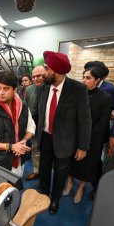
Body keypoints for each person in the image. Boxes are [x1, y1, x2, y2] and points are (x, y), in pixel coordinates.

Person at [37, 51, 91, 214]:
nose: (43, 73)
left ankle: (55, 199)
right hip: (45, 137)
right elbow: (40, 113)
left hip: (65, 141)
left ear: (57, 70)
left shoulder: (78, 89)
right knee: (44, 169)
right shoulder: (44, 88)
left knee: (60, 173)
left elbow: (85, 119)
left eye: (46, 69)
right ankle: (44, 195)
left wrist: (83, 147)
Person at [65, 67, 112, 203]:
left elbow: (103, 122)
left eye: (88, 78)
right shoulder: (77, 94)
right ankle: (69, 182)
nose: (84, 80)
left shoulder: (105, 97)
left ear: (97, 80)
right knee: (70, 161)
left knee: (88, 165)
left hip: (93, 138)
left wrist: (85, 138)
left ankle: (81, 186)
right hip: (73, 135)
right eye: (84, 77)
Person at [83, 61, 114, 199]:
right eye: (85, 73)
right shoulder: (84, 88)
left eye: (89, 73)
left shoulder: (111, 90)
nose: (85, 78)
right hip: (84, 131)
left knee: (96, 160)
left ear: (99, 76)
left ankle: (98, 187)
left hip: (99, 133)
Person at [0, 71, 35, 176]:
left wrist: (23, 141)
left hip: (18, 159)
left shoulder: (23, 106)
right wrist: (11, 146)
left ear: (15, 89)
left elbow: (31, 128)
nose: (1, 92)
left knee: (13, 189)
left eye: (6, 89)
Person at [25, 65, 46, 181]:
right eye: (33, 76)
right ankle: (37, 171)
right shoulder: (28, 89)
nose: (35, 79)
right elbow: (27, 109)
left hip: (48, 126)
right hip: (34, 125)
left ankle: (46, 171)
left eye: (38, 76)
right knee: (35, 150)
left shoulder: (50, 88)